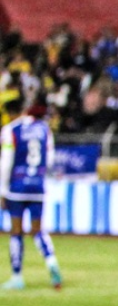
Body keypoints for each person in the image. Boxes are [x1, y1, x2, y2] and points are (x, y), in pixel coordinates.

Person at [0, 97, 62, 291]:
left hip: (17, 187)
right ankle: (52, 264)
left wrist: (2, 190)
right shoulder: (45, 129)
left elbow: (6, 162)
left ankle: (17, 276)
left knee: (16, 231)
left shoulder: (10, 130)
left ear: (11, 113)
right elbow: (50, 160)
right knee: (38, 230)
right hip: (38, 186)